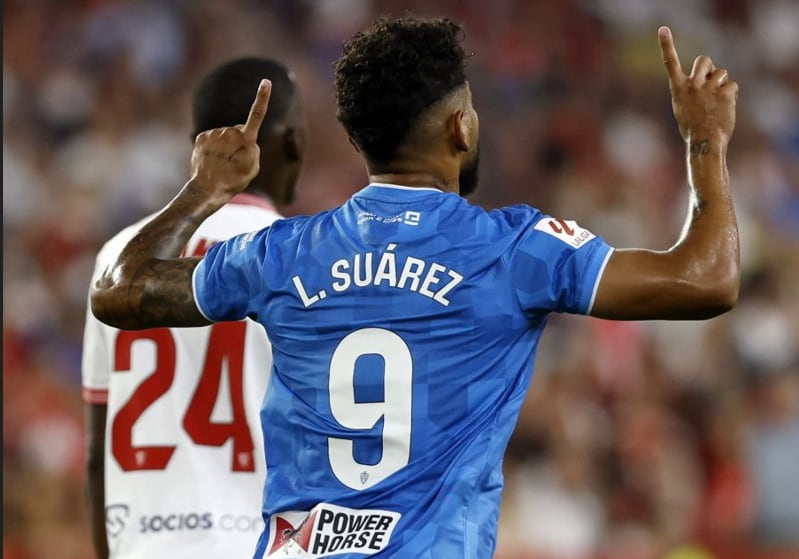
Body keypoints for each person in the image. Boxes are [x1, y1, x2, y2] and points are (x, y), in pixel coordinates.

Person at [90, 15, 739, 559]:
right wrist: (703, 143)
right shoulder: (511, 250)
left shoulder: (282, 253)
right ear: (459, 127)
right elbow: (704, 278)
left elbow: (121, 290)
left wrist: (205, 189)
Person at [82, 56, 307, 559]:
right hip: (258, 541)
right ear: (294, 142)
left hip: (142, 544)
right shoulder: (299, 257)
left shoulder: (117, 259)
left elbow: (99, 454)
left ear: (197, 149)